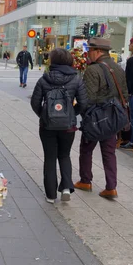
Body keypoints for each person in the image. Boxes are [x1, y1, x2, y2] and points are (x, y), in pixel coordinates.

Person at [31, 49, 88, 203]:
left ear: (52, 61)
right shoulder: (76, 79)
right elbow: (83, 103)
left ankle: (50, 195)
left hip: (47, 126)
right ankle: (66, 188)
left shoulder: (44, 79)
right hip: (68, 127)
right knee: (64, 155)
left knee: (50, 158)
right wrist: (71, 114)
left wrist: (45, 115)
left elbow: (35, 103)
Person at [75, 38, 128, 199]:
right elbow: (124, 94)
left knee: (86, 149)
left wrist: (82, 114)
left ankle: (85, 180)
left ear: (98, 51)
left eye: (89, 50)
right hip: (112, 117)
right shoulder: (118, 68)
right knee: (109, 152)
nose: (87, 54)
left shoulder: (93, 70)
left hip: (96, 118)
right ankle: (111, 187)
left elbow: (88, 97)